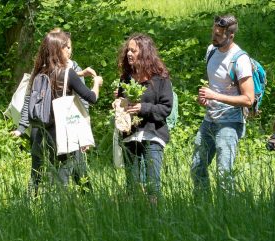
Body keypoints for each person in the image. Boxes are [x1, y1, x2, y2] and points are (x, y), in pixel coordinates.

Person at [12, 29, 103, 196]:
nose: (69, 50)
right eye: (66, 47)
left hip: (42, 131)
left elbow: (30, 99)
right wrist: (97, 83)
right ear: (57, 49)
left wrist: (22, 126)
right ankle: (66, 208)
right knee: (65, 174)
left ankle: (31, 204)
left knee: (39, 172)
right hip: (63, 131)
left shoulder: (39, 71)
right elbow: (91, 98)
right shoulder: (68, 73)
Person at [191, 15, 255, 194]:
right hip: (209, 119)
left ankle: (226, 216)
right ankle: (202, 212)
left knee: (224, 174)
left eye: (219, 35)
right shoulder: (211, 50)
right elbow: (216, 87)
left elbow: (248, 99)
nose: (214, 37)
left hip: (230, 122)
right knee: (197, 167)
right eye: (213, 33)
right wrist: (206, 98)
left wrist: (215, 96)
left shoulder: (240, 59)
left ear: (231, 36)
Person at [116, 33, 173, 203]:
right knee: (131, 188)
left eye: (133, 50)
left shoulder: (160, 78)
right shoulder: (125, 78)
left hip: (153, 134)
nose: (129, 54)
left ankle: (155, 222)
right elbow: (120, 100)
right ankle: (133, 222)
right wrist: (118, 104)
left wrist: (143, 108)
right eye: (128, 50)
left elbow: (166, 108)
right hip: (130, 136)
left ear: (145, 52)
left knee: (152, 187)